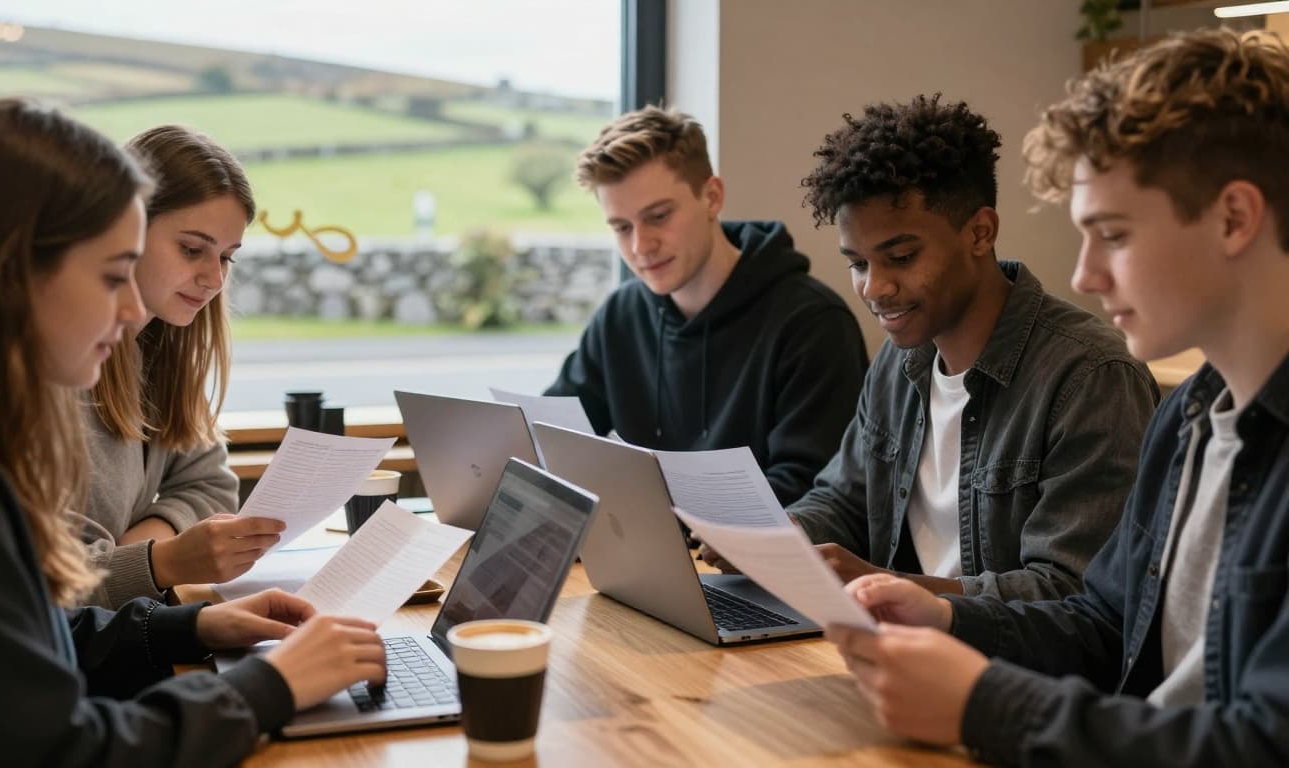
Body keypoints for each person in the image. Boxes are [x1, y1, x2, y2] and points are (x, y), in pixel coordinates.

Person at [829, 29, 1289, 765]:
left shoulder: (1102, 377)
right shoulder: (1191, 417)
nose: (1083, 275)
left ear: (1234, 218)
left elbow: (1264, 746)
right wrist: (947, 618)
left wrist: (985, 706)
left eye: (1112, 234)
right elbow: (1107, 627)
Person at [0, 98, 385, 766]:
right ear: (14, 273)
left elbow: (37, 635)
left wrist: (188, 624)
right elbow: (65, 750)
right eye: (112, 275)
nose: (131, 312)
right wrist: (268, 684)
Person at [721, 95, 1159, 601]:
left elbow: (1070, 596)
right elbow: (843, 499)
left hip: (1003, 673)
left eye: (901, 257)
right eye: (858, 264)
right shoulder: (900, 358)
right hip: (900, 648)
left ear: (980, 232)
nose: (873, 288)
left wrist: (886, 589)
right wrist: (780, 539)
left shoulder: (1090, 378)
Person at [545, 105, 868, 505]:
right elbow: (550, 439)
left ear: (712, 197)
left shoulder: (813, 323)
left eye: (659, 216)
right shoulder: (620, 317)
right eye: (622, 227)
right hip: (655, 553)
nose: (640, 246)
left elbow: (811, 491)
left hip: (758, 561)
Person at [81, 125, 283, 608]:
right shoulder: (60, 368)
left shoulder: (159, 346)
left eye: (227, 258)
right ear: (126, 231)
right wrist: (161, 561)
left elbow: (211, 484)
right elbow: (46, 587)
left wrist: (141, 551)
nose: (214, 278)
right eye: (192, 249)